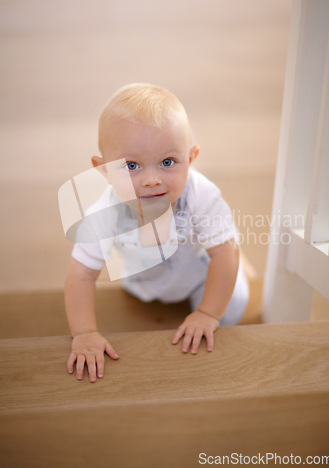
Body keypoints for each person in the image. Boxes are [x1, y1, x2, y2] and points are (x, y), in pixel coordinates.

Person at [65, 83, 249, 382]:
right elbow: (81, 274)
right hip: (144, 281)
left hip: (200, 275)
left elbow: (225, 255)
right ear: (103, 169)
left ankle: (225, 243)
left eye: (167, 162)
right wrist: (84, 333)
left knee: (233, 303)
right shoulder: (104, 214)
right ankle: (215, 238)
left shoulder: (201, 196)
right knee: (145, 294)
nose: (152, 180)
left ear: (191, 158)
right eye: (132, 166)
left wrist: (208, 314)